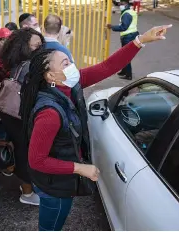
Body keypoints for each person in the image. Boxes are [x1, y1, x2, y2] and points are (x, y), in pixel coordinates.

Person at [19, 25, 171, 231]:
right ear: (50, 77)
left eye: (70, 61)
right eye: (65, 63)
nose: (72, 66)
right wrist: (80, 168)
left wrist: (141, 40)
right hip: (53, 185)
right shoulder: (49, 114)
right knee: (51, 225)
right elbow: (36, 160)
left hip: (60, 177)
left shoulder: (69, 84)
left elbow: (107, 67)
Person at [0, 28, 45, 206]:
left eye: (41, 45)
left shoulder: (16, 61)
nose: (40, 48)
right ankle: (27, 192)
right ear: (24, 47)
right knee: (25, 152)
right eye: (36, 46)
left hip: (12, 113)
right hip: (20, 115)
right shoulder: (29, 66)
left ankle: (26, 185)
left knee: (21, 149)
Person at [107, 0, 139, 80]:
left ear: (126, 4)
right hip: (130, 35)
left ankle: (128, 75)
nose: (120, 5)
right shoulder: (130, 11)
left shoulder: (127, 14)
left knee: (126, 56)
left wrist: (112, 27)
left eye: (122, 4)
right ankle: (124, 71)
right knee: (124, 55)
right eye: (120, 3)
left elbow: (124, 27)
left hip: (128, 37)